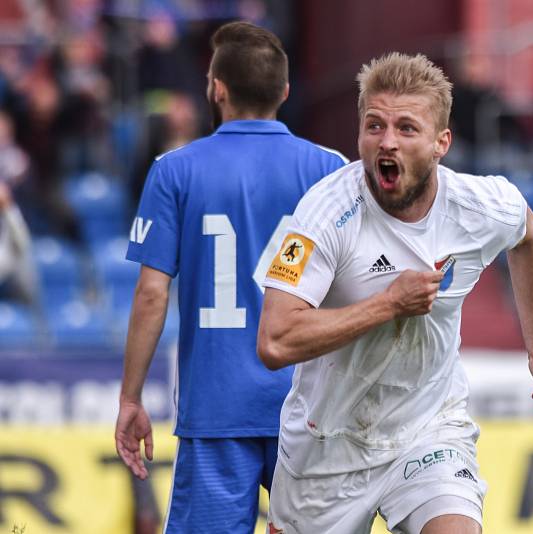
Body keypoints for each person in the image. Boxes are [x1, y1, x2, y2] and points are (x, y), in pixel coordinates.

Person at [258, 53, 533, 534]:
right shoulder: (323, 214)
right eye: (374, 126)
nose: (387, 141)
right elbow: (275, 341)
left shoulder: (480, 204)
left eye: (406, 128)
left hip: (429, 429)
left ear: (441, 142)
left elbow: (529, 236)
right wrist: (388, 305)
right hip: (329, 445)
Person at [114, 21, 347, 533]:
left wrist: (131, 399)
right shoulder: (330, 169)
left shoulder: (174, 169)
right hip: (308, 409)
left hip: (216, 409)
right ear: (284, 92)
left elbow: (152, 294)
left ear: (215, 88)